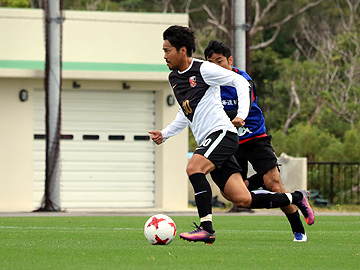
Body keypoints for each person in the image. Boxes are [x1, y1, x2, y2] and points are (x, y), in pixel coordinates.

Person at [149, 25, 314, 245]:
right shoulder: (174, 78)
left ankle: (207, 229)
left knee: (193, 168)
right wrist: (165, 133)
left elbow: (240, 82)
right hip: (212, 140)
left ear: (183, 50)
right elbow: (185, 111)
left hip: (222, 133)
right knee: (241, 198)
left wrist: (241, 115)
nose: (164, 55)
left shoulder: (204, 69)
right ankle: (297, 197)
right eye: (163, 50)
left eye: (167, 50)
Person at [204, 40, 310, 242]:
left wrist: (228, 117)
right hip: (231, 142)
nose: (216, 67)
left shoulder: (242, 79)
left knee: (275, 185)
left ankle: (299, 231)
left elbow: (243, 106)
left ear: (230, 60)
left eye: (220, 61)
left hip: (254, 138)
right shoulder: (210, 84)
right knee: (233, 195)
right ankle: (281, 188)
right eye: (211, 63)